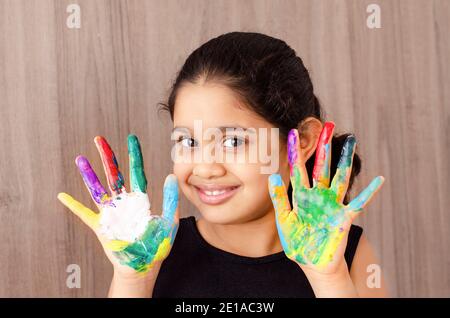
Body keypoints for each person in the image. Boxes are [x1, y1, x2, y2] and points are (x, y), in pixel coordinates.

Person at [58, 32, 387, 298]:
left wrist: (328, 278)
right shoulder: (150, 253)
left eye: (233, 141)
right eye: (188, 142)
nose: (205, 168)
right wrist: (133, 280)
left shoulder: (344, 254)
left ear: (301, 142)